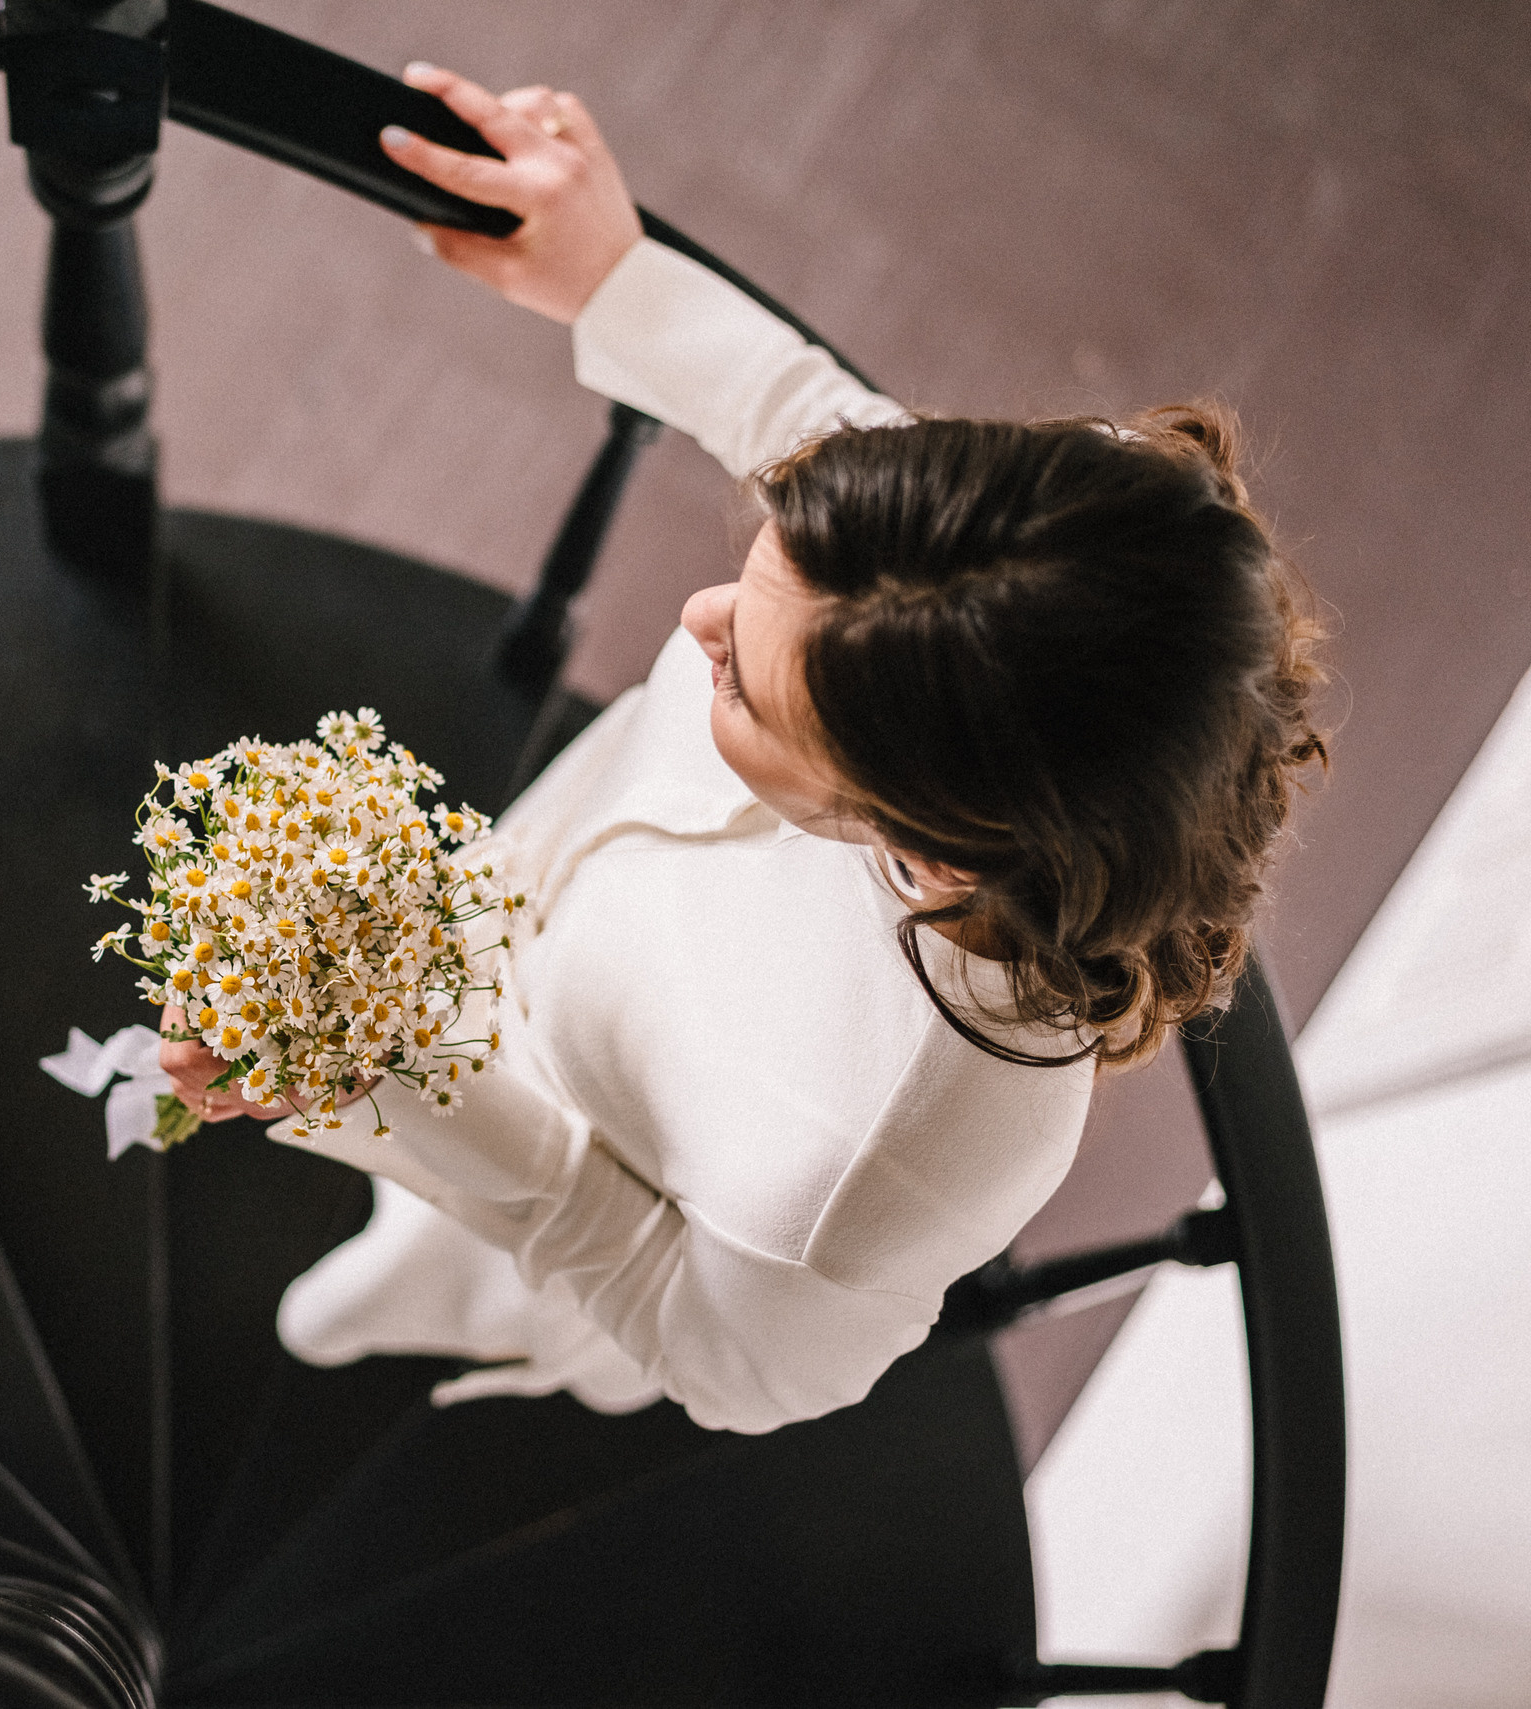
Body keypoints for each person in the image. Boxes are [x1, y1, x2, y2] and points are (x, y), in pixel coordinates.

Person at [160, 65, 1329, 1432]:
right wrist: (614, 277)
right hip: (526, 895)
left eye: (753, 694)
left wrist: (412, 1079)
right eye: (763, 558)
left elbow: (722, 1356)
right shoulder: (979, 588)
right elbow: (818, 421)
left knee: (409, 1275)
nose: (694, 617)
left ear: (926, 836)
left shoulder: (900, 1156)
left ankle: (388, 1298)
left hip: (548, 1171)